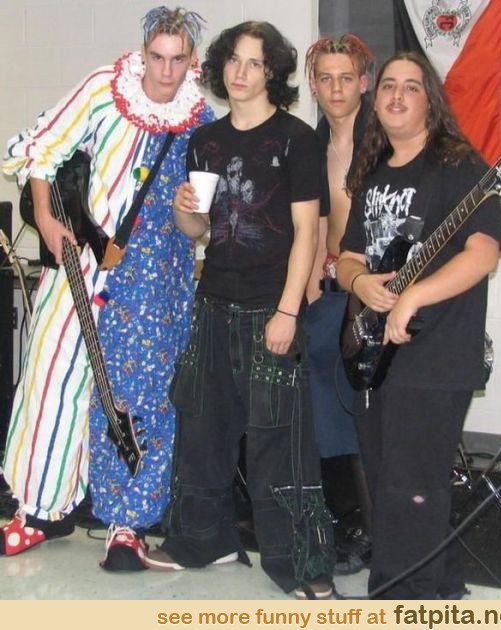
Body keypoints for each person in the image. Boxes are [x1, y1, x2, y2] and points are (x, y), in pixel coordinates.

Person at [1, 6, 214, 571]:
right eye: (157, 58)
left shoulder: (202, 118)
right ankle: (39, 509)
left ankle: (127, 524)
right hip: (83, 264)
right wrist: (46, 218)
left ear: (191, 60)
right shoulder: (103, 88)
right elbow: (42, 148)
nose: (165, 72)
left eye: (177, 60)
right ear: (143, 53)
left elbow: (200, 221)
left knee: (138, 400)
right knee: (53, 377)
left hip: (153, 282)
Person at [145, 21, 335, 599]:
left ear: (272, 72)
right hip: (212, 304)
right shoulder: (205, 140)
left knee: (279, 441)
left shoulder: (296, 140)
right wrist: (184, 209)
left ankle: (299, 563)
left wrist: (288, 312)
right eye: (233, 60)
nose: (240, 72)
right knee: (202, 429)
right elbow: (198, 230)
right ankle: (203, 540)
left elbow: (308, 234)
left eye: (254, 63)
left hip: (269, 309)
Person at [336, 51, 501, 599]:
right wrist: (362, 283)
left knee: (410, 483)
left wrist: (415, 296)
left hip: (436, 354)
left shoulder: (459, 166)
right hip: (376, 354)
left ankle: (401, 600)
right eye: (388, 85)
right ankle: (442, 585)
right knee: (395, 481)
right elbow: (348, 258)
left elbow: (483, 252)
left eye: (411, 86)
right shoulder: (374, 172)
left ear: (430, 100)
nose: (397, 95)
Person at [303, 34, 374, 574]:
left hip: (381, 291)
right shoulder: (312, 148)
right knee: (322, 400)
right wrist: (307, 293)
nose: (335, 89)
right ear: (313, 85)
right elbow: (312, 229)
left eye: (345, 78)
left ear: (364, 83)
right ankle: (348, 520)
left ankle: (376, 521)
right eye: (325, 78)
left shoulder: (388, 144)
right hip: (330, 292)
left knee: (370, 408)